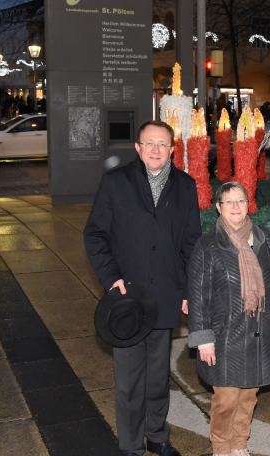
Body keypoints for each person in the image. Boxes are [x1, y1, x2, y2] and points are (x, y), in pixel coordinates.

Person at [84, 120, 201, 456]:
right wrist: (111, 279)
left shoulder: (185, 186)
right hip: (127, 299)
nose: (155, 150)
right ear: (137, 148)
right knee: (130, 380)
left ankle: (157, 435)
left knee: (157, 376)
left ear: (172, 149)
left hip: (166, 294)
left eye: (162, 144)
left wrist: (188, 290)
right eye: (149, 143)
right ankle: (131, 446)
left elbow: (192, 242)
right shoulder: (116, 182)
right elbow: (95, 235)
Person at [188, 181, 270, 456]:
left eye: (241, 201)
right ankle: (221, 446)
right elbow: (198, 296)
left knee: (248, 395)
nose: (235, 207)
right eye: (229, 202)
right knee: (227, 397)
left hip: (258, 331)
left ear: (248, 204)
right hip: (224, 335)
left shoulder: (265, 240)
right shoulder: (208, 246)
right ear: (218, 207)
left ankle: (240, 443)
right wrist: (203, 339)